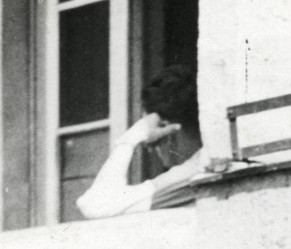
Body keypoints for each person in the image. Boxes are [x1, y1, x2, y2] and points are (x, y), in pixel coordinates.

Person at [77, 65, 202, 220]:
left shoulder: (196, 169)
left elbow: (94, 204)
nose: (151, 149)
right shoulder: (200, 163)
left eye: (154, 143)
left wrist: (131, 138)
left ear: (166, 129)